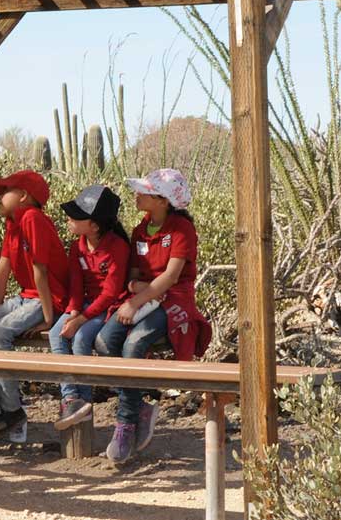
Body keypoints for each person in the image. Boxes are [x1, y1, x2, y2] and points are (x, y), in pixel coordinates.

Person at [96, 168, 211, 463]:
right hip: (144, 296)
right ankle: (139, 407)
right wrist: (139, 291)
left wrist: (135, 302)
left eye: (144, 191)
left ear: (162, 200)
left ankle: (125, 422)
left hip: (174, 300)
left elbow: (171, 278)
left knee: (134, 344)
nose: (137, 194)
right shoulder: (139, 230)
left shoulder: (182, 230)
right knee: (105, 341)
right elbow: (134, 276)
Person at [0, 170, 70, 444]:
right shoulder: (14, 221)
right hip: (27, 295)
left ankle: (13, 410)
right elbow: (3, 266)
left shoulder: (32, 218)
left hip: (47, 298)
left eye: (4, 191)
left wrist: (47, 315)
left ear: (23, 196)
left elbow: (40, 270)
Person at [49, 185, 133, 432]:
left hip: (106, 308)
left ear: (94, 225)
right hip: (84, 306)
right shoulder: (78, 246)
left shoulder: (118, 247)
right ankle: (70, 398)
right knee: (57, 333)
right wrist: (74, 311)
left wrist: (81, 319)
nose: (69, 219)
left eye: (76, 216)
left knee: (81, 339)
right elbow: (75, 283)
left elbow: (111, 293)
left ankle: (83, 402)